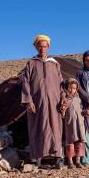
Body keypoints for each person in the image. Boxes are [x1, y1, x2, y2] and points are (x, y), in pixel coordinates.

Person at [21, 35, 67, 169]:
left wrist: (63, 98)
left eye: (45, 46)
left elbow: (60, 84)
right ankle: (37, 160)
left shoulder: (55, 64)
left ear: (48, 47)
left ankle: (58, 159)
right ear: (36, 47)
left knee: (56, 129)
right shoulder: (31, 63)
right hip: (37, 103)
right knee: (38, 128)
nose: (42, 48)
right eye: (40, 46)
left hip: (54, 103)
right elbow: (25, 83)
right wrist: (28, 101)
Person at [61, 78, 87, 169]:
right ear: (67, 88)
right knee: (70, 142)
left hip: (80, 124)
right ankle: (70, 162)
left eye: (74, 88)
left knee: (79, 142)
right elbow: (62, 113)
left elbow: (81, 110)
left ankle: (78, 161)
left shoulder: (78, 99)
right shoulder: (65, 99)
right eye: (70, 88)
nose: (72, 90)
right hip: (70, 125)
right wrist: (63, 109)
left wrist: (85, 113)